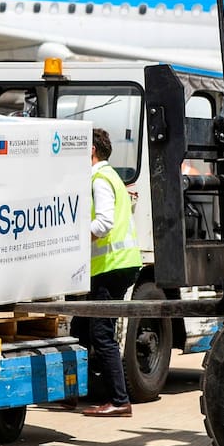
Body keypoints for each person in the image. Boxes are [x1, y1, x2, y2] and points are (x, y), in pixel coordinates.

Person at [72, 127, 143, 418]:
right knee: (79, 328)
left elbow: (103, 224)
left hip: (111, 266)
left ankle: (119, 400)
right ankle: (71, 392)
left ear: (90, 150)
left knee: (101, 334)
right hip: (118, 264)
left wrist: (71, 238)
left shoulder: (99, 180)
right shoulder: (112, 176)